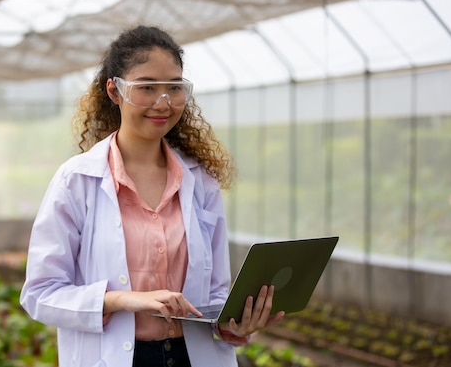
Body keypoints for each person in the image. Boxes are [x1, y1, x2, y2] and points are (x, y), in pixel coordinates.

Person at [20, 25, 284, 367]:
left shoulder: (200, 181)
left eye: (174, 88)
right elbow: (40, 294)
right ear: (114, 92)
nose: (163, 103)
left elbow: (216, 294)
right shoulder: (77, 181)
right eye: (147, 88)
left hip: (193, 358)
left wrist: (237, 324)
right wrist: (122, 300)